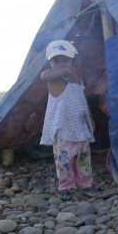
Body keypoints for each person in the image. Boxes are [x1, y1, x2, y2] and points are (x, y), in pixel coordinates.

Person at [40, 40, 100, 200]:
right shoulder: (53, 79)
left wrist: (90, 120)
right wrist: (62, 70)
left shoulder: (77, 80)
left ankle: (85, 183)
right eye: (56, 61)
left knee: (83, 160)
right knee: (64, 161)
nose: (61, 64)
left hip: (80, 128)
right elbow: (44, 75)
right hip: (63, 129)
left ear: (73, 61)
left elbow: (83, 100)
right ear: (50, 63)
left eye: (65, 60)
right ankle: (66, 186)